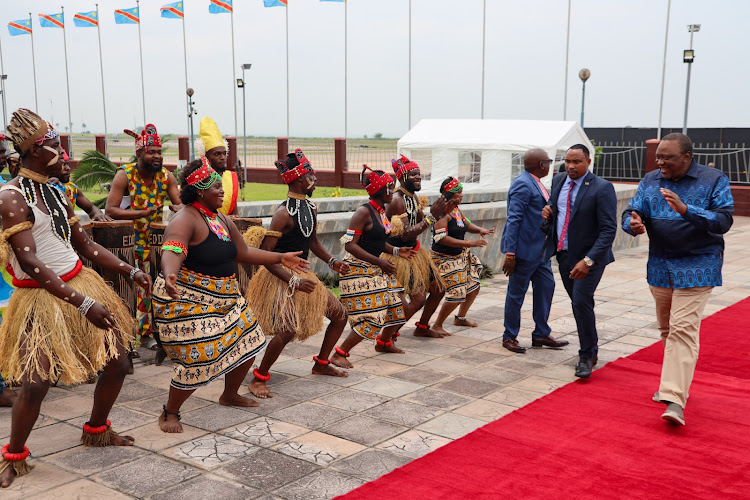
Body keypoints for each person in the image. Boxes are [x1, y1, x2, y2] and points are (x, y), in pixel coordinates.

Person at [0, 109, 152, 487]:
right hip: (40, 298)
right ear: (34, 152)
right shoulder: (11, 198)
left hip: (80, 282)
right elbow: (30, 261)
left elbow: (84, 244)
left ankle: (97, 429)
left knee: (117, 363)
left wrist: (129, 271)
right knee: (35, 384)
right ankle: (14, 457)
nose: (62, 152)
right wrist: (82, 304)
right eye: (54, 146)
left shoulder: (56, 191)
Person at [152, 157, 309, 433]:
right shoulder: (185, 218)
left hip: (226, 299)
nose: (222, 191)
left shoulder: (220, 218)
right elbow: (172, 250)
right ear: (200, 190)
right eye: (216, 186)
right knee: (198, 356)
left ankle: (230, 394)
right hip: (189, 300)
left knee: (251, 339)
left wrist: (280, 257)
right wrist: (169, 274)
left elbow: (243, 253)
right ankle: (170, 411)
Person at [622, 133, 733, 426]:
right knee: (668, 330)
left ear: (686, 157)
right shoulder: (650, 180)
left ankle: (673, 398)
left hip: (699, 265)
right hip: (660, 266)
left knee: (682, 329)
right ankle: (677, 381)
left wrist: (687, 210)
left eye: (666, 157)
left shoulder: (714, 179)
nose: (660, 162)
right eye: (658, 156)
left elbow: (723, 221)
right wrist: (633, 223)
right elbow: (631, 211)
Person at [246, 149, 350, 398]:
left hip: (302, 276)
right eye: (310, 176)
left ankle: (321, 364)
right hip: (279, 276)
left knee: (340, 315)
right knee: (287, 329)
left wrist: (332, 261)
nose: (314, 180)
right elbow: (267, 257)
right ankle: (259, 378)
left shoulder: (311, 208)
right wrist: (292, 279)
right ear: (297, 180)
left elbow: (312, 242)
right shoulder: (283, 214)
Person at [542, 144, 617, 378]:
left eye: (577, 162)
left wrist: (589, 260)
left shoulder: (602, 188)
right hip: (565, 254)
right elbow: (559, 212)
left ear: (588, 162)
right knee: (581, 303)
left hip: (590, 258)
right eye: (567, 161)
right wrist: (549, 213)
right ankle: (591, 346)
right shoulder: (558, 181)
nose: (571, 166)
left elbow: (608, 229)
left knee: (580, 301)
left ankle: (587, 355)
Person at [330, 166, 415, 368]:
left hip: (376, 267)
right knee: (373, 318)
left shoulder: (381, 212)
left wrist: (395, 251)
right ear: (380, 190)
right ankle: (340, 353)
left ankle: (384, 342)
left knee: (400, 308)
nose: (393, 193)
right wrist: (379, 261)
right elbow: (348, 243)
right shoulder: (363, 212)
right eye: (390, 188)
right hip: (358, 269)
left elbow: (377, 242)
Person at [106, 124, 181, 349]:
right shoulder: (124, 175)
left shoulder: (167, 177)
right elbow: (111, 210)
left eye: (159, 152)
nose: (157, 156)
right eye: (152, 152)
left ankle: (159, 334)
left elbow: (178, 203)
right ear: (139, 154)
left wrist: (180, 208)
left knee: (161, 287)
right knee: (138, 290)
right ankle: (138, 336)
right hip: (133, 243)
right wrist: (141, 213)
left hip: (159, 243)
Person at [501, 149, 568, 353]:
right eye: (548, 162)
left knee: (546, 288)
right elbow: (514, 219)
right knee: (516, 294)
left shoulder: (535, 182)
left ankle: (541, 333)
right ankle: (509, 336)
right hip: (524, 251)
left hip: (541, 251)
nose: (550, 166)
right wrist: (510, 253)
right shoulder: (523, 184)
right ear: (541, 165)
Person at [384, 155, 447, 338]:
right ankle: (386, 337)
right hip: (400, 254)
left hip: (414, 251)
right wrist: (431, 218)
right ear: (403, 178)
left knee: (438, 289)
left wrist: (438, 212)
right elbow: (405, 233)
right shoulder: (397, 200)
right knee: (418, 299)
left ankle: (422, 327)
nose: (419, 177)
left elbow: (420, 220)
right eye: (414, 175)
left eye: (419, 174)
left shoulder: (412, 197)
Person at [427, 177, 493, 336]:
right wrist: (469, 243)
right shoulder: (442, 213)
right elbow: (441, 238)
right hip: (443, 259)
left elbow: (466, 223)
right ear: (450, 194)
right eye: (459, 192)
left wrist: (480, 230)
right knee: (457, 293)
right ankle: (437, 325)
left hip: (460, 256)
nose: (462, 195)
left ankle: (460, 318)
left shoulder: (456, 208)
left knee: (474, 286)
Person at [196, 117, 239, 215]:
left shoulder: (231, 178)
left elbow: (235, 214)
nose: (223, 157)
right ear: (206, 156)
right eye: (217, 154)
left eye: (224, 153)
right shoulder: (198, 179)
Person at [57, 152, 112, 221]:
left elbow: (91, 208)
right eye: (63, 165)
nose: (68, 168)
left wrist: (97, 213)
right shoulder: (42, 187)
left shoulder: (72, 188)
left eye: (67, 164)